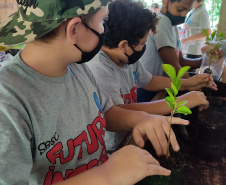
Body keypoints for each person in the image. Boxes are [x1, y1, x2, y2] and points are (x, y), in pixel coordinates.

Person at [0, 0, 194, 184]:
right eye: (102, 21)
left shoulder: (77, 66)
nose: (105, 30)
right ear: (74, 30)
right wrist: (107, 175)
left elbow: (103, 114)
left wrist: (140, 118)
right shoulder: (8, 101)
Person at [87, 0, 216, 154]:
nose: (144, 48)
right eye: (142, 44)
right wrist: (180, 101)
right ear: (123, 45)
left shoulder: (127, 59)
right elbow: (116, 113)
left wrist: (188, 83)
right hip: (109, 149)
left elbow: (149, 81)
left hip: (127, 135)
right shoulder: (99, 68)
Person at [138, 0, 223, 102]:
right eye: (180, 9)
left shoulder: (171, 25)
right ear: (165, 1)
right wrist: (194, 86)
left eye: (187, 11)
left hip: (162, 86)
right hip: (150, 89)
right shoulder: (162, 21)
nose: (183, 15)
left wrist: (207, 59)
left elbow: (181, 61)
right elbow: (174, 66)